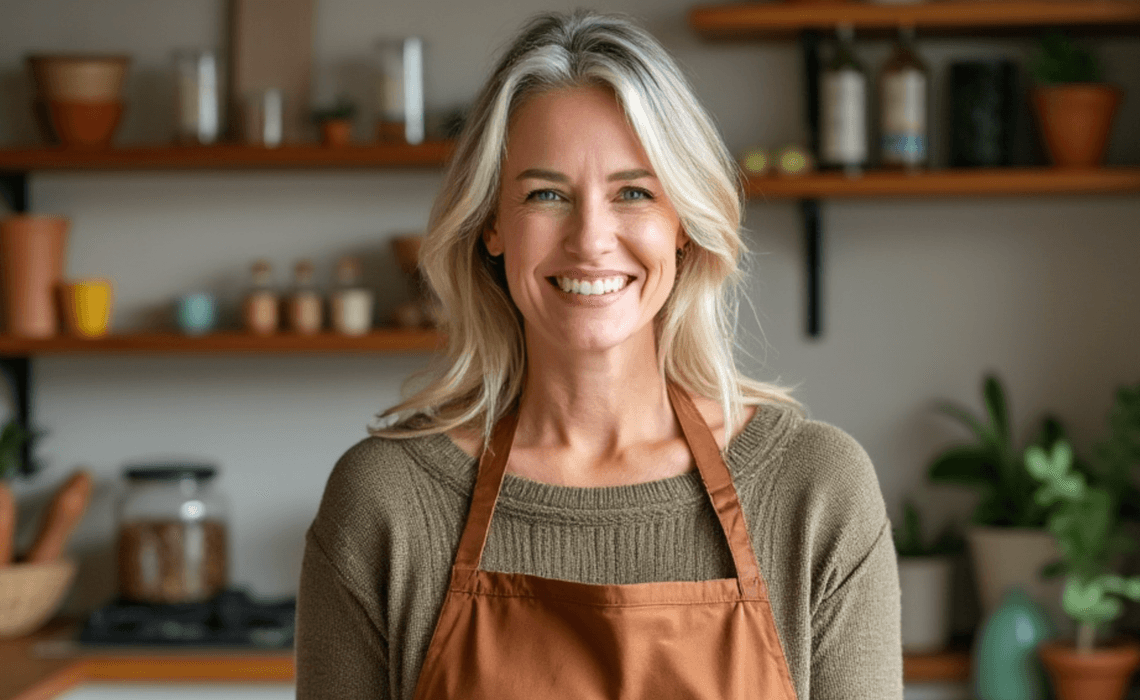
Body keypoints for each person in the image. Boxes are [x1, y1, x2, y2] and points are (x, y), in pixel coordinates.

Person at [296, 10, 900, 700]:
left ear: (683, 225)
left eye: (633, 193)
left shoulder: (814, 491)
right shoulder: (386, 502)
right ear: (492, 223)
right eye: (546, 194)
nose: (590, 238)